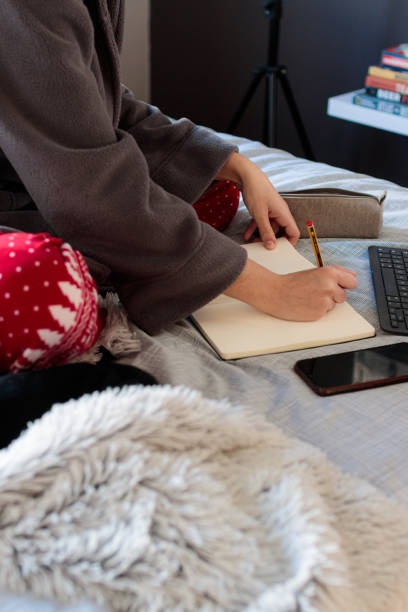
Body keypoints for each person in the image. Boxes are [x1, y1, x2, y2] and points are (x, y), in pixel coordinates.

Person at [0, 0, 357, 336]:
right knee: (48, 292)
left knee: (217, 188)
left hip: (52, 172)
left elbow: (99, 105)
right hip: (36, 195)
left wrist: (238, 166)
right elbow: (83, 186)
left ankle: (153, 251)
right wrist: (272, 288)